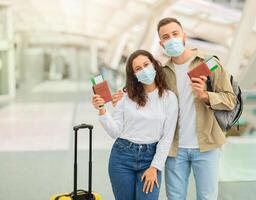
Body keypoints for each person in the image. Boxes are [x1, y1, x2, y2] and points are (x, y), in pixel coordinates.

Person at [157, 17, 236, 200]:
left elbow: (230, 100)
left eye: (175, 34)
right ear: (161, 43)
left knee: (207, 197)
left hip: (207, 146)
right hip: (174, 148)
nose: (171, 39)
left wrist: (205, 95)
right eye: (166, 37)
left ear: (184, 36)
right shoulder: (162, 72)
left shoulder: (209, 62)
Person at [92, 49, 178, 200]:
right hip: (122, 157)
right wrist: (102, 111)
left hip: (150, 159)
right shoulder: (125, 96)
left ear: (154, 65)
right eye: (138, 68)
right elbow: (115, 131)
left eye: (146, 64)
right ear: (134, 75)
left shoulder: (169, 98)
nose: (144, 70)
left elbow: (167, 137)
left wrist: (154, 168)